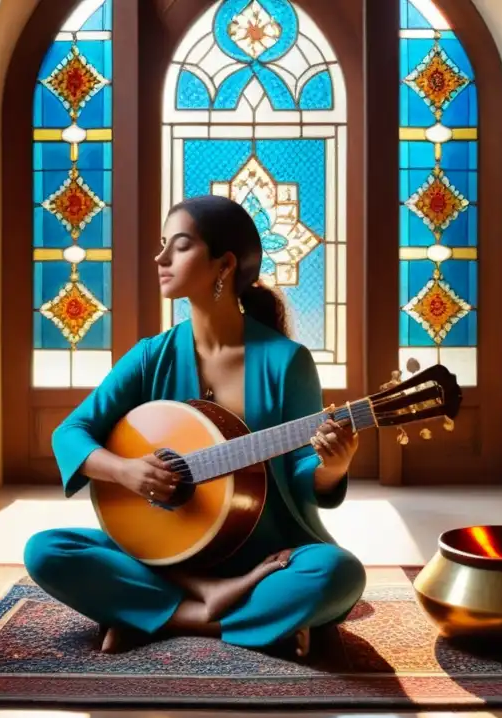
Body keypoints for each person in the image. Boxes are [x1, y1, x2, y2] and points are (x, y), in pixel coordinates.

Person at [24, 194, 365, 658]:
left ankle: (153, 615)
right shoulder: (151, 356)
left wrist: (333, 467)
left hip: (268, 557)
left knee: (337, 574)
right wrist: (125, 471)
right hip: (167, 556)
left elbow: (304, 476)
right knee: (46, 551)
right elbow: (70, 433)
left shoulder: (286, 362)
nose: (160, 258)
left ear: (224, 265)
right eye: (163, 244)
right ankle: (223, 612)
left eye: (179, 246)